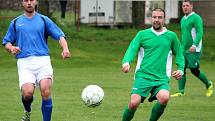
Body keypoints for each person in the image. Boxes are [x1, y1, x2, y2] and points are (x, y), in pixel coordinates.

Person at [2, 0, 71, 121]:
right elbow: (6, 42)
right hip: (24, 63)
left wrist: (65, 49)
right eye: (26, 0)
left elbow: (60, 35)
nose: (29, 3)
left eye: (31, 0)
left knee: (45, 90)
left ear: (36, 2)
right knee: (28, 94)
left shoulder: (44, 20)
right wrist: (11, 48)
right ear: (22, 3)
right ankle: (27, 110)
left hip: (43, 61)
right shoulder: (16, 22)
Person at [121, 8, 184, 121]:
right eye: (154, 17)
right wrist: (126, 62)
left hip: (161, 78)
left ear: (164, 19)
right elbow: (132, 49)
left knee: (164, 97)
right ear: (151, 18)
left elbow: (179, 54)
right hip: (143, 76)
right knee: (134, 103)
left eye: (160, 17)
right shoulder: (142, 34)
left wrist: (180, 69)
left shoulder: (171, 36)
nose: (157, 20)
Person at [171, 0, 213, 97]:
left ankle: (209, 84)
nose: (185, 7)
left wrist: (194, 45)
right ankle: (181, 91)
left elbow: (200, 32)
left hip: (194, 49)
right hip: (184, 49)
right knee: (182, 68)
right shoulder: (182, 19)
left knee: (194, 70)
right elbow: (184, 36)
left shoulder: (196, 18)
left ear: (191, 6)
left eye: (187, 5)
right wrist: (179, 48)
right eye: (183, 6)